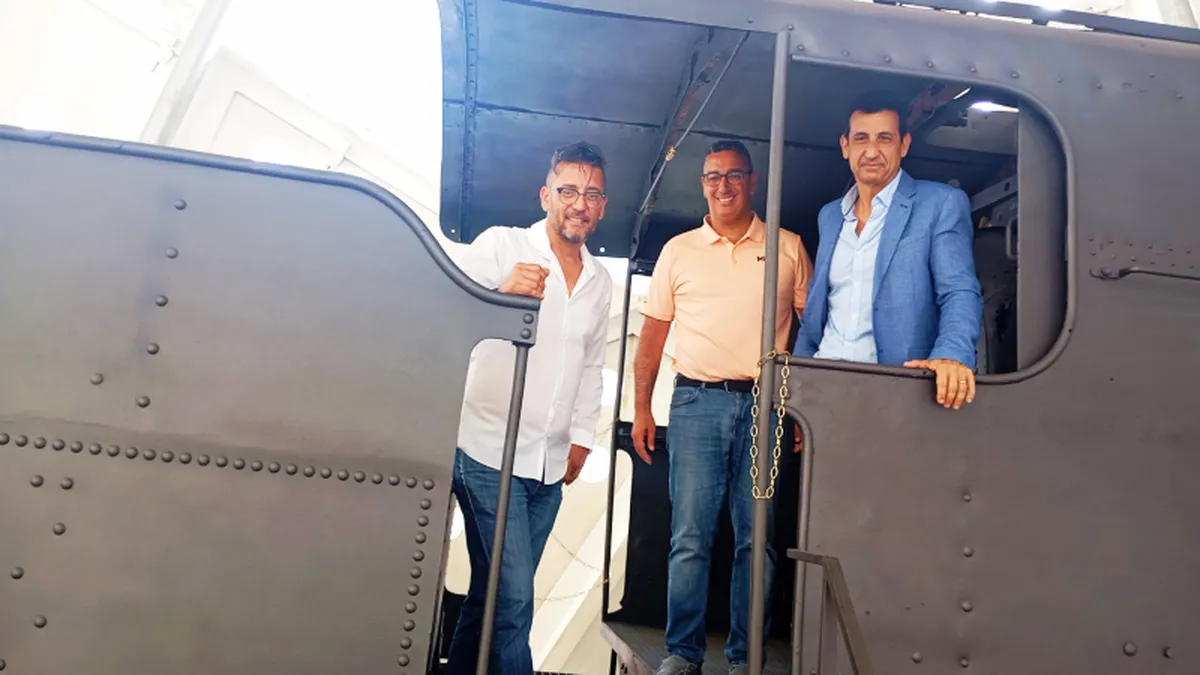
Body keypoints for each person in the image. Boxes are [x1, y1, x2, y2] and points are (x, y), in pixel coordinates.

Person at [631, 140, 813, 675]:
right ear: (703, 185)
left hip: (767, 408)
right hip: (695, 402)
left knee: (758, 539)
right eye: (714, 176)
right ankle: (682, 654)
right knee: (689, 536)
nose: (724, 185)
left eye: (735, 175)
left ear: (753, 182)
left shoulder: (788, 247)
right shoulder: (678, 251)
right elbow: (651, 340)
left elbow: (812, 333)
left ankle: (745, 658)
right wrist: (642, 408)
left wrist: (801, 407)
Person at [445, 141, 614, 675]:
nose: (579, 203)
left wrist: (582, 436)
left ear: (602, 206)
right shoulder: (502, 245)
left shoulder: (600, 281)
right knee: (514, 599)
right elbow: (446, 313)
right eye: (568, 190)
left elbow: (591, 365)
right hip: (487, 450)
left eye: (592, 194)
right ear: (546, 195)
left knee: (493, 598)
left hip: (549, 465)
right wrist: (499, 292)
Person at [793, 91, 983, 409]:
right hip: (824, 388)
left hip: (896, 391)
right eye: (861, 138)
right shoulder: (830, 216)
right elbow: (816, 312)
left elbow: (959, 291)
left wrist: (951, 355)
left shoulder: (940, 204)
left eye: (884, 138)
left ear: (904, 145)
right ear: (845, 146)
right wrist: (797, 387)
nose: (871, 151)